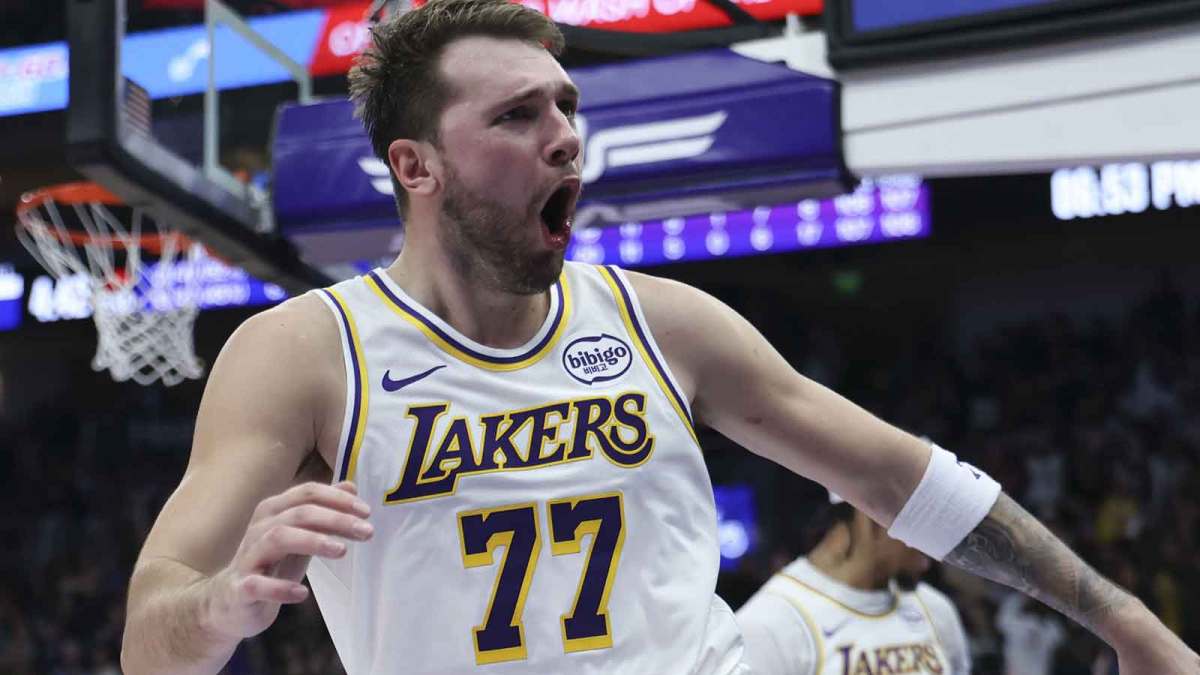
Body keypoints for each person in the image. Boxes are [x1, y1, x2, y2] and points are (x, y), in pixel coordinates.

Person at [118, 1, 1200, 674]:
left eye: (565, 106)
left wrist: (1123, 620)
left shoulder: (663, 322)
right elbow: (149, 633)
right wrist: (219, 606)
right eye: (516, 118)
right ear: (416, 167)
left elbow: (909, 480)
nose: (565, 140)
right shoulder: (306, 352)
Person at [737, 495, 972, 675]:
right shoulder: (767, 625)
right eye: (925, 526)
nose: (936, 547)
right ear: (874, 516)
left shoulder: (934, 608)